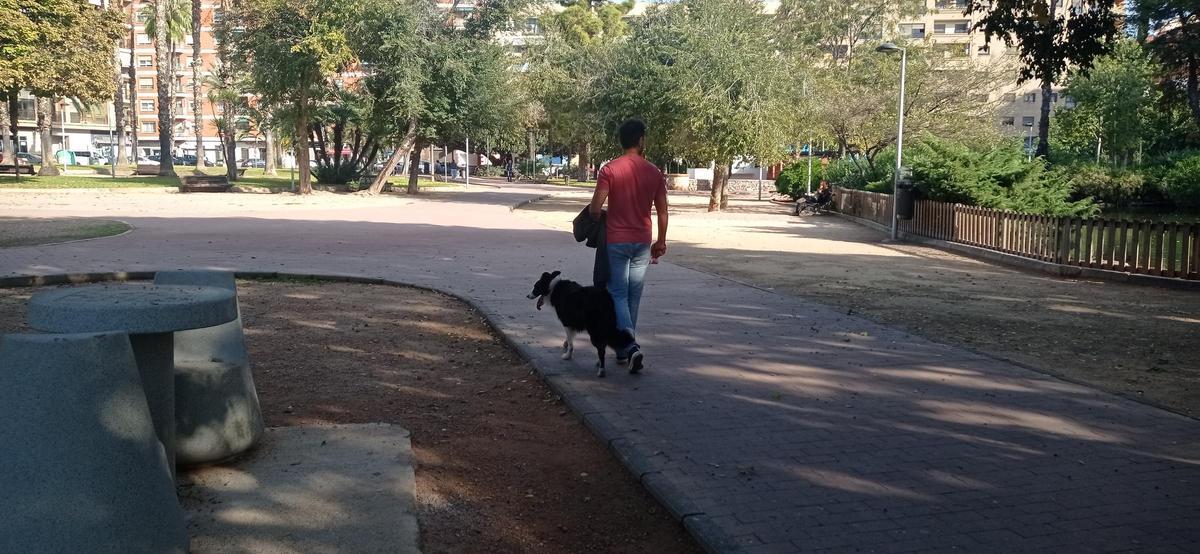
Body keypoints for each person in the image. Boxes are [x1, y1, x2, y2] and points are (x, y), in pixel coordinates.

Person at [588, 119, 668, 370]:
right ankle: (624, 350)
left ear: (621, 141)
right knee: (634, 295)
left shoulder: (609, 170)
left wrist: (601, 218)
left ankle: (629, 346)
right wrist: (661, 241)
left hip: (617, 242)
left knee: (618, 294)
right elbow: (663, 212)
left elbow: (594, 209)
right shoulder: (654, 172)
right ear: (641, 140)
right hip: (642, 242)